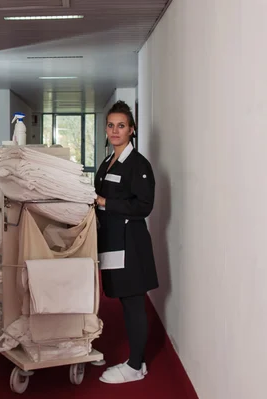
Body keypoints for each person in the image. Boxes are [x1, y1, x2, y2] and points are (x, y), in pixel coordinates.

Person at [94, 100, 159, 384]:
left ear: (132, 130)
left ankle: (136, 365)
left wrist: (105, 202)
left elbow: (144, 206)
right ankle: (135, 361)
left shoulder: (138, 165)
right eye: (111, 125)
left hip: (131, 244)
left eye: (121, 126)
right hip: (111, 240)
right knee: (122, 298)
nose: (115, 130)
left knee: (133, 302)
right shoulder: (107, 161)